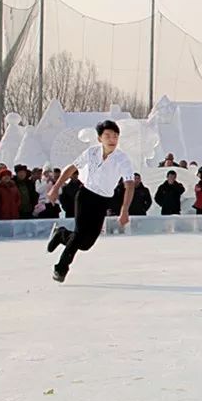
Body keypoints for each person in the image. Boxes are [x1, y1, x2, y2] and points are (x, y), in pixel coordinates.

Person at [46, 120, 135, 283]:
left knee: (86, 244)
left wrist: (125, 209)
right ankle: (61, 268)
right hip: (85, 195)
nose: (112, 139)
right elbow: (71, 168)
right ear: (100, 138)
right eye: (107, 136)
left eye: (115, 136)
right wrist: (55, 187)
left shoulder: (122, 159)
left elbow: (129, 184)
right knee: (80, 234)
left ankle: (62, 234)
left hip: (103, 201)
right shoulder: (91, 152)